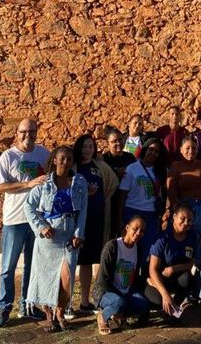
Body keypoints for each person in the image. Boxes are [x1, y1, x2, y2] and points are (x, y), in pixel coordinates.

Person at [0, 118, 50, 328]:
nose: (28, 135)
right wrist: (27, 184)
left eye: (32, 131)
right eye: (23, 131)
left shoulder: (43, 154)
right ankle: (4, 306)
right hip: (15, 219)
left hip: (36, 220)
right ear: (16, 133)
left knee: (32, 266)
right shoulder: (8, 157)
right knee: (8, 267)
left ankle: (28, 305)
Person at [23, 146, 88, 332]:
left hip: (69, 235)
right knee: (46, 276)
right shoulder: (44, 184)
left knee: (67, 277)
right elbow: (28, 206)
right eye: (62, 158)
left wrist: (78, 234)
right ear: (54, 160)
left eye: (69, 159)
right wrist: (41, 227)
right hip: (50, 236)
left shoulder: (78, 182)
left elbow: (83, 210)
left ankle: (60, 310)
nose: (66, 162)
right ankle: (49, 315)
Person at [70, 134, 119, 316]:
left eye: (90, 146)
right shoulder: (73, 167)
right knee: (80, 260)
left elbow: (113, 182)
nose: (87, 150)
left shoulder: (99, 166)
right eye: (84, 146)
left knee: (98, 258)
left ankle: (96, 299)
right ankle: (78, 301)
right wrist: (83, 193)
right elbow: (66, 187)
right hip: (79, 221)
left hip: (98, 218)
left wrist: (104, 197)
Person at [166, 135, 201, 300]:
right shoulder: (176, 167)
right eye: (187, 148)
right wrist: (180, 210)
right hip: (184, 211)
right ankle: (184, 292)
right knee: (188, 251)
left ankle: (200, 294)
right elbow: (171, 192)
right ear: (181, 150)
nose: (191, 151)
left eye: (194, 148)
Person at [92, 215, 150, 335]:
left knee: (143, 304)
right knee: (118, 302)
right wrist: (118, 295)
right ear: (127, 228)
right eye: (135, 229)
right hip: (107, 291)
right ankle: (103, 316)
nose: (138, 233)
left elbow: (136, 276)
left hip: (126, 290)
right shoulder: (112, 246)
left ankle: (119, 314)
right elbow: (103, 278)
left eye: (142, 231)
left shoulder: (138, 249)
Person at [145, 204, 200, 324]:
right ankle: (161, 309)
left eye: (189, 220)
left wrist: (173, 269)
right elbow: (152, 270)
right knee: (157, 301)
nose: (186, 223)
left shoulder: (192, 237)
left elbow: (193, 262)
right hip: (157, 280)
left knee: (189, 278)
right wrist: (165, 295)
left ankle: (173, 309)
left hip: (177, 278)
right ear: (174, 217)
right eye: (182, 218)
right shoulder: (162, 238)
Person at [117, 137, 166, 267]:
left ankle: (143, 276)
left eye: (156, 151)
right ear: (145, 149)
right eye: (151, 149)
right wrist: (120, 218)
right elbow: (122, 195)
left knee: (148, 249)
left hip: (151, 214)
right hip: (132, 211)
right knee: (130, 247)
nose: (153, 153)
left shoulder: (160, 171)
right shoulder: (132, 168)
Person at [103, 128, 137, 237]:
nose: (118, 143)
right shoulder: (104, 160)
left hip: (128, 201)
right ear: (108, 143)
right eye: (114, 141)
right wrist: (114, 173)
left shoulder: (130, 158)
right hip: (110, 201)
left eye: (120, 140)